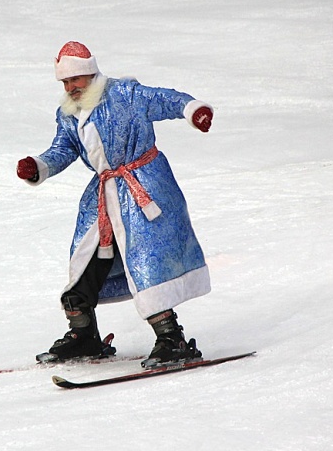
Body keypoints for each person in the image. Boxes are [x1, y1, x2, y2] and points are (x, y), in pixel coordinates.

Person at [16, 41, 214, 367]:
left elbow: (164, 99)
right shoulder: (68, 114)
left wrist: (193, 109)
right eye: (64, 83)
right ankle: (84, 336)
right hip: (103, 196)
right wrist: (39, 166)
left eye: (75, 80)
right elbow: (63, 149)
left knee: (147, 263)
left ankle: (171, 338)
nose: (70, 88)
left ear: (90, 73)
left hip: (145, 189)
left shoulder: (125, 94)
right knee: (83, 262)